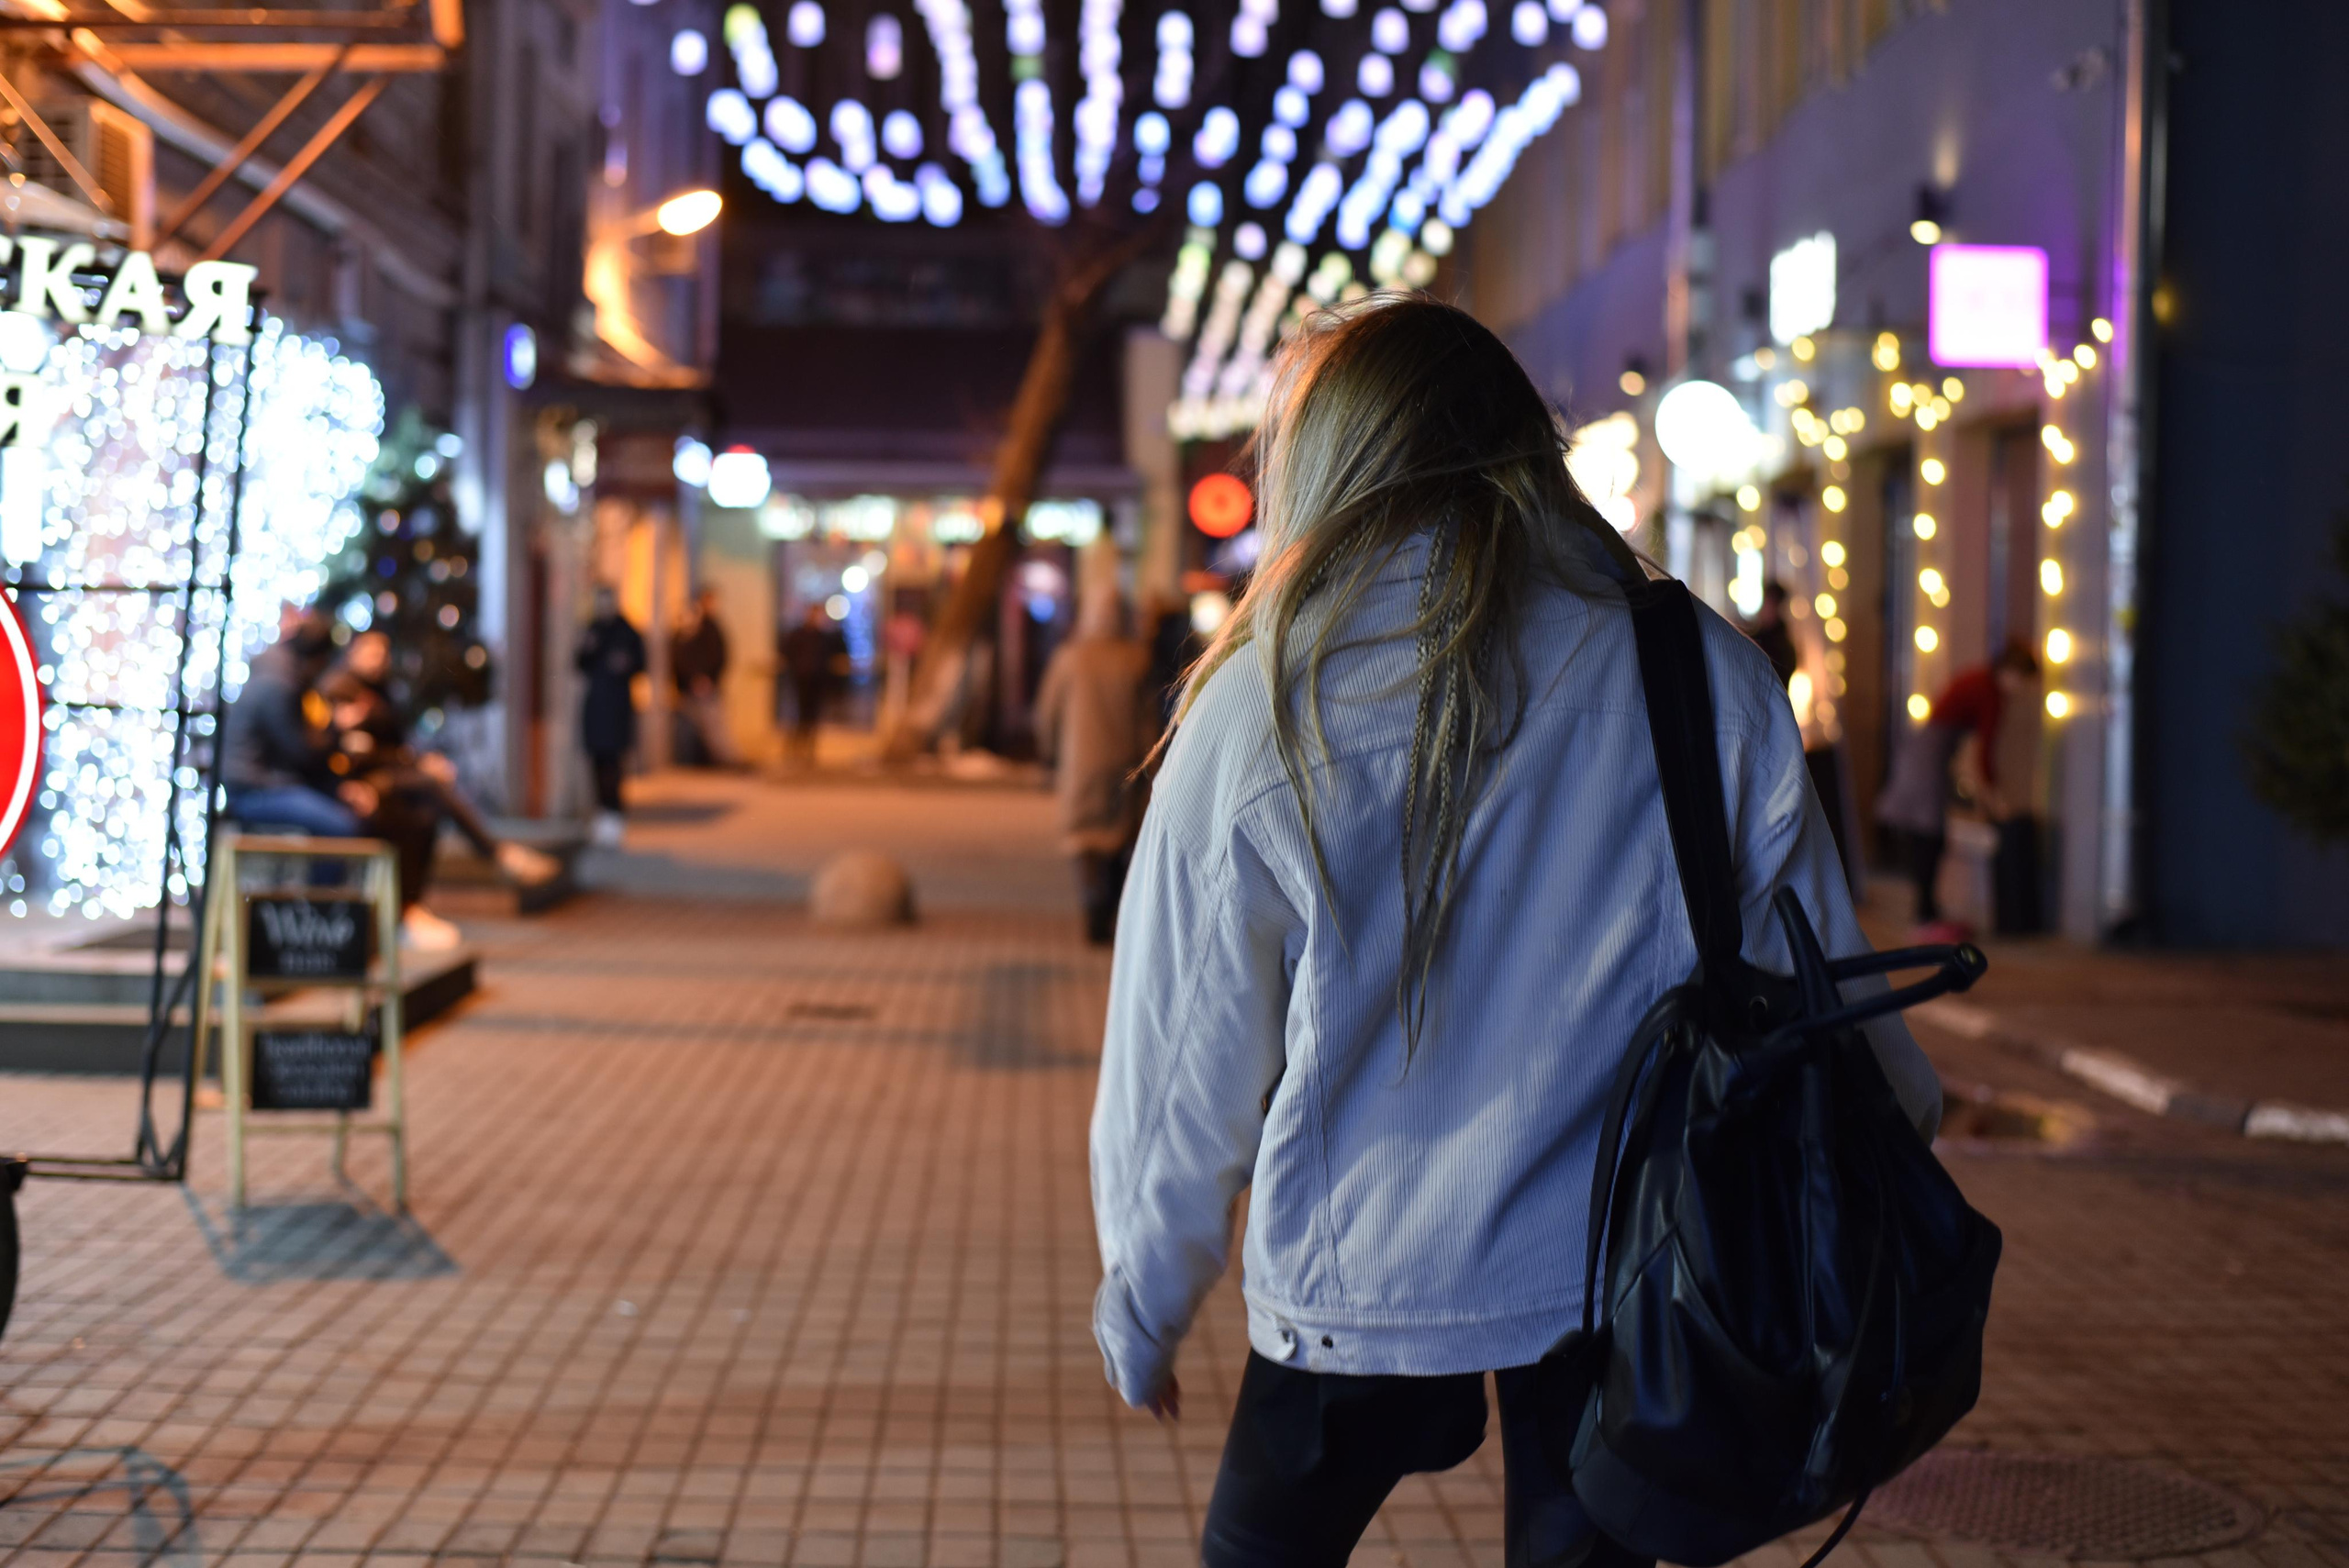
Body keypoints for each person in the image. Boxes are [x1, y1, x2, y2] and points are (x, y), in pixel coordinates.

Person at [1088, 295, 1941, 1568]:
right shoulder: (1695, 664)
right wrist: (1895, 1141)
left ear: (1332, 462)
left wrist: (1145, 1302)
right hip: (1630, 1274)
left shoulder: (1270, 698)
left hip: (1357, 1269)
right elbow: (1820, 975)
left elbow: (1185, 1053)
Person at [220, 608, 451, 951]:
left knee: (401, 808)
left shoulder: (287, 676)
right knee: (341, 825)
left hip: (274, 782)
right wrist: (337, 728)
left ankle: (372, 921)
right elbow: (301, 753)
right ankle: (315, 923)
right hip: (255, 790)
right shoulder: (280, 684)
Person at [322, 630, 560, 893]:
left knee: (427, 814)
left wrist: (418, 759)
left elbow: (392, 742)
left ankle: (410, 902)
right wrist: (413, 762)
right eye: (371, 652)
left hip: (388, 772)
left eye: (382, 653)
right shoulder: (341, 687)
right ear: (352, 651)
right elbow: (355, 752)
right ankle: (498, 854)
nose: (377, 659)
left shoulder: (381, 689)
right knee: (429, 785)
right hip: (357, 780)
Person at [1875, 639, 2041, 939]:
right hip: (1928, 759)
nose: (2020, 688)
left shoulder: (1978, 680)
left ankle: (1926, 910)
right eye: (2022, 679)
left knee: (1928, 836)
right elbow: (1985, 754)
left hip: (1923, 752)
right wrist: (1995, 800)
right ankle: (1925, 914)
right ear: (2012, 671)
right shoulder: (1990, 693)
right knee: (1930, 836)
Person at [1033, 587, 1154, 944]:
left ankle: (1092, 908)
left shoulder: (1069, 658)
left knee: (1084, 840)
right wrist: (1152, 765)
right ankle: (1111, 908)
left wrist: (1049, 753)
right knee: (1118, 839)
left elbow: (1046, 713)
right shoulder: (1136, 659)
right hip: (1126, 767)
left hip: (1079, 766)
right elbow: (1148, 721)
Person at [574, 586, 647, 847]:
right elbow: (579, 663)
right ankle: (602, 813)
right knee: (597, 763)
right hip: (595, 707)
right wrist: (587, 648)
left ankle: (615, 814)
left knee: (613, 765)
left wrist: (626, 664)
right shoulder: (592, 629)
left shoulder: (627, 632)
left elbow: (641, 664)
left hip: (616, 708)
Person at [670, 587, 738, 767]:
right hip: (692, 687)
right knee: (702, 727)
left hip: (707, 686)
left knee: (714, 726)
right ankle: (713, 760)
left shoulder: (711, 627)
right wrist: (693, 678)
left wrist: (709, 679)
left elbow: (718, 656)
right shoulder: (691, 627)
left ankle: (723, 759)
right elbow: (684, 656)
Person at [777, 601, 849, 762]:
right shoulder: (797, 635)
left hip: (818, 680)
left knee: (813, 716)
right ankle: (795, 748)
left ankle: (808, 749)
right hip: (801, 680)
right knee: (799, 715)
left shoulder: (825, 637)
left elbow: (840, 652)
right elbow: (787, 653)